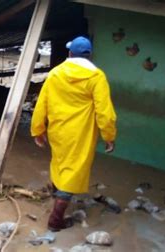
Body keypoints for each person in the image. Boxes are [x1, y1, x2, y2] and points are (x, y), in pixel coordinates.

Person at [30, 36, 117, 232]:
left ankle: (57, 193)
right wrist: (109, 135)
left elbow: (41, 103)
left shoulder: (55, 74)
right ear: (89, 55)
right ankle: (56, 219)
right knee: (73, 170)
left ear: (70, 54)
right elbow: (105, 112)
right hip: (81, 133)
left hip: (58, 130)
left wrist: (38, 130)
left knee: (59, 162)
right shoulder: (97, 76)